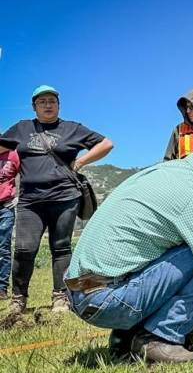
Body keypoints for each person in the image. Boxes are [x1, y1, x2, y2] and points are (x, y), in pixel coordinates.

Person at [65, 136, 193, 363]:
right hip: (105, 298)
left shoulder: (172, 172)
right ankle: (160, 338)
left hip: (81, 290)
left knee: (186, 248)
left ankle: (126, 337)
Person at [3, 85, 113, 314]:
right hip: (30, 201)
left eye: (52, 101)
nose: (48, 105)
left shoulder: (71, 128)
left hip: (65, 197)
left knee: (61, 247)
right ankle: (18, 298)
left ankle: (60, 297)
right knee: (24, 248)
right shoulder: (21, 129)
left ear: (58, 105)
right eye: (42, 101)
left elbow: (106, 144)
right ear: (34, 107)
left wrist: (81, 162)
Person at [0, 137, 20, 300]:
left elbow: (27, 174)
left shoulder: (13, 155)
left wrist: (17, 197)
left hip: (5, 207)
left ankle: (1, 288)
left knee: (3, 248)